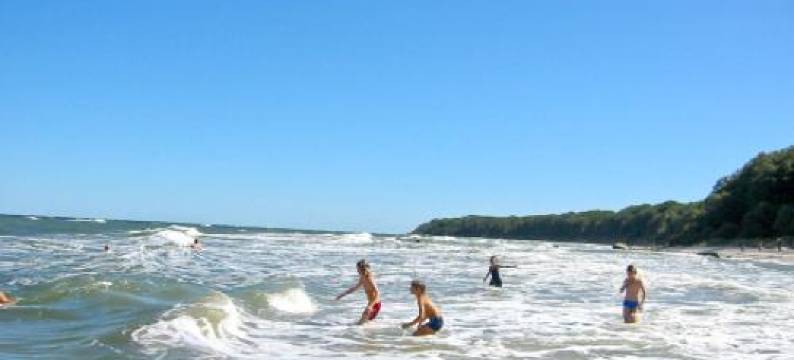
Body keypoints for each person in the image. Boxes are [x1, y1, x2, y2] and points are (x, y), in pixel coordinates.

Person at [335, 259, 381, 325]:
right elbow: (355, 288)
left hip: (375, 304)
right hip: (371, 304)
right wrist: (342, 295)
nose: (357, 271)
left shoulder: (369, 278)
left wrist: (370, 306)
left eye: (358, 269)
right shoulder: (362, 278)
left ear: (362, 268)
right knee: (363, 324)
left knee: (361, 324)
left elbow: (377, 292)